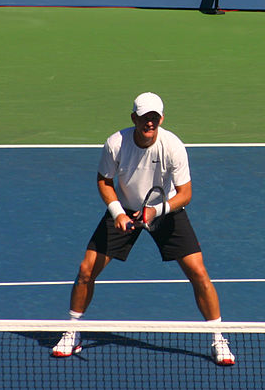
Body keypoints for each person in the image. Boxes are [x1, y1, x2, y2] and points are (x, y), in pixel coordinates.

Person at [52, 92, 235, 366]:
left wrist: (156, 210)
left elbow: (185, 194)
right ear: (133, 118)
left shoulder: (173, 146)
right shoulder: (116, 144)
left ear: (160, 118)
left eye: (154, 118)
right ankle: (72, 331)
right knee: (86, 270)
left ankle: (218, 338)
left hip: (165, 210)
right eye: (143, 117)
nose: (149, 123)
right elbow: (104, 181)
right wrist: (117, 213)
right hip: (124, 209)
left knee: (198, 272)